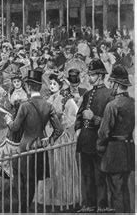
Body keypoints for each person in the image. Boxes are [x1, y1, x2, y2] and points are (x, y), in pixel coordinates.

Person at [6, 69, 63, 212]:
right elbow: (59, 130)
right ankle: (26, 206)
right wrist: (49, 141)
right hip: (39, 146)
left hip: (25, 146)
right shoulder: (48, 105)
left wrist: (8, 120)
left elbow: (15, 127)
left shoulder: (25, 105)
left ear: (29, 87)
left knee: (20, 177)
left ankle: (22, 207)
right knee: (32, 179)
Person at [74, 58, 113, 213]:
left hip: (99, 140)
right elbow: (79, 116)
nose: (89, 77)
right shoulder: (88, 93)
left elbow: (111, 123)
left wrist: (94, 118)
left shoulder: (110, 94)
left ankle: (101, 205)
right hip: (85, 140)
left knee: (99, 175)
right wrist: (78, 129)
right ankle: (89, 205)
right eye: (89, 74)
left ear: (100, 75)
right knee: (86, 175)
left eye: (92, 74)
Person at [35, 73, 81, 206]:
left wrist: (62, 119)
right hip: (50, 135)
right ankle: (52, 195)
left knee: (62, 166)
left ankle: (65, 196)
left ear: (60, 85)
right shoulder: (48, 99)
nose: (52, 86)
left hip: (62, 137)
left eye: (55, 84)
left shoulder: (66, 99)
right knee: (51, 166)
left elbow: (75, 116)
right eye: (50, 84)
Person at [97, 64, 135, 213]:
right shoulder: (133, 103)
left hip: (114, 153)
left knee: (115, 192)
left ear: (118, 84)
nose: (110, 85)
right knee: (125, 189)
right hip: (129, 150)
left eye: (112, 82)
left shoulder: (112, 106)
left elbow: (103, 133)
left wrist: (100, 149)